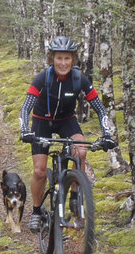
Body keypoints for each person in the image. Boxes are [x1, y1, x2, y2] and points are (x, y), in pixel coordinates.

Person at [19, 35, 117, 232]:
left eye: (67, 58)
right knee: (39, 170)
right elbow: (25, 108)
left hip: (66, 121)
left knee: (80, 152)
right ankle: (37, 211)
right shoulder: (42, 78)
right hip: (42, 121)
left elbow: (100, 108)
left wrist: (107, 134)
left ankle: (74, 195)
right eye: (59, 58)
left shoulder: (79, 79)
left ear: (73, 60)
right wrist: (25, 131)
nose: (63, 63)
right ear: (52, 59)